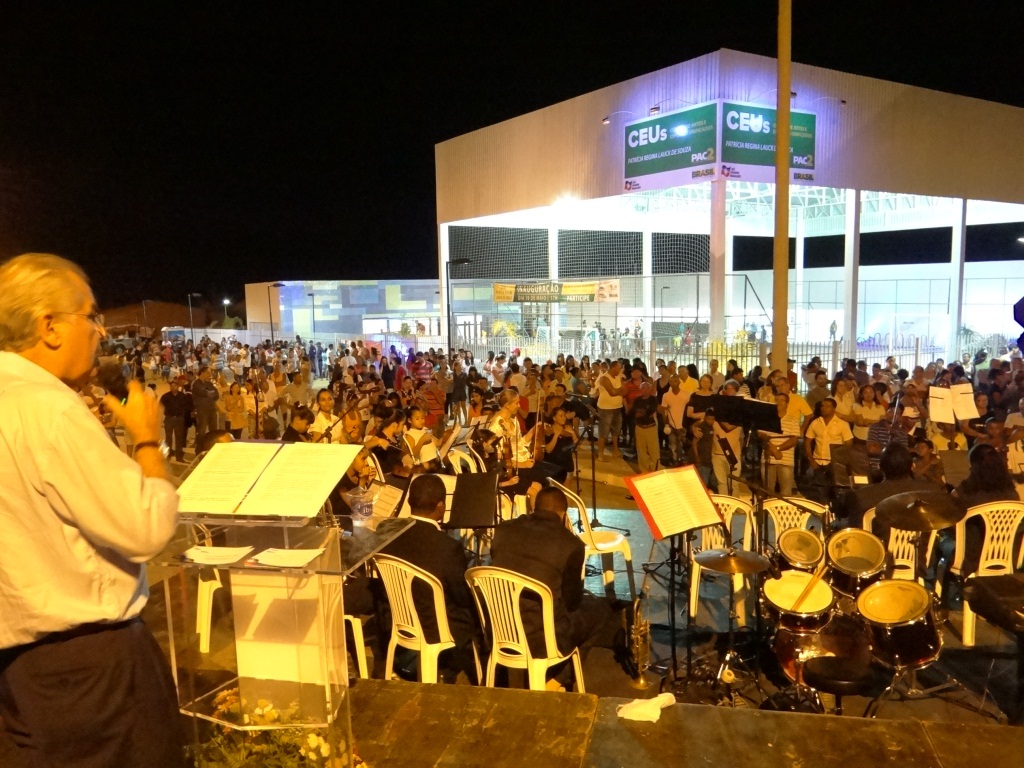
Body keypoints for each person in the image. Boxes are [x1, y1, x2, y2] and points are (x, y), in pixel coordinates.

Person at [0, 253, 183, 766]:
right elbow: (144, 528)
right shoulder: (48, 407)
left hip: (19, 670)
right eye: (90, 316)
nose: (100, 332)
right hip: (92, 669)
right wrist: (146, 441)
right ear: (49, 327)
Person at [490, 485, 613, 690]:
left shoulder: (503, 530)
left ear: (534, 507)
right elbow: (572, 602)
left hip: (500, 628)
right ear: (563, 514)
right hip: (541, 639)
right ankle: (557, 679)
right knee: (600, 610)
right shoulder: (571, 544)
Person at [380, 474, 480, 683]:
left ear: (409, 501)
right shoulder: (448, 547)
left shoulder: (386, 532)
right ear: (441, 506)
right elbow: (461, 597)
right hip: (436, 627)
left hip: (398, 618)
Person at [159, 376, 190, 462]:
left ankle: (179, 456)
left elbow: (186, 407)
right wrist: (161, 419)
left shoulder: (182, 396)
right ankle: (167, 455)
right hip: (169, 418)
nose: (173, 388)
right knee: (168, 438)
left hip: (179, 419)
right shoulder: (166, 396)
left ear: (177, 386)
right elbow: (160, 407)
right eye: (171, 386)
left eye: (175, 386)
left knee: (179, 437)